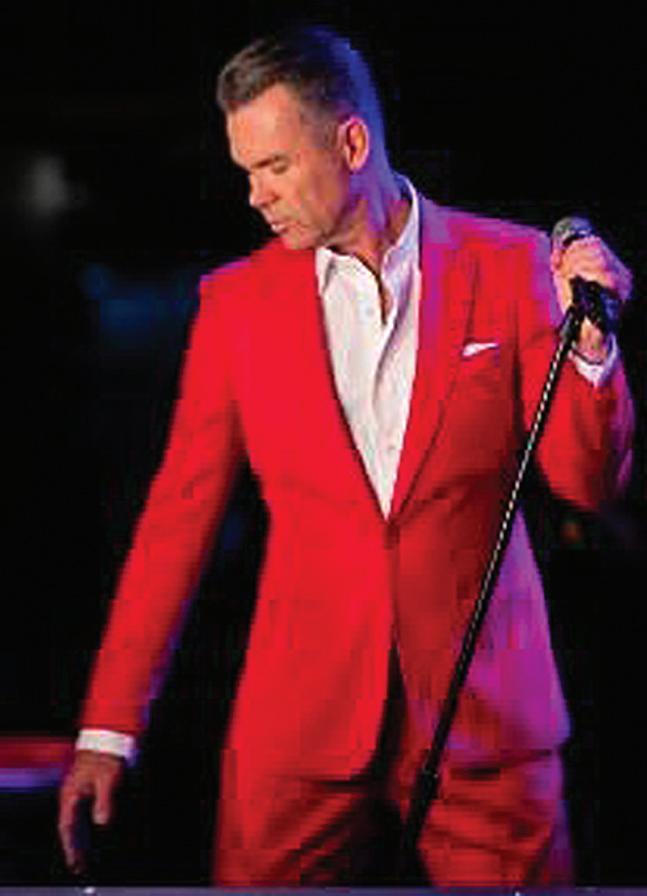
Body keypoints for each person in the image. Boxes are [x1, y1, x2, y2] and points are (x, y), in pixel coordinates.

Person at [58, 25, 635, 886]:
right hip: (299, 720)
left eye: (274, 167)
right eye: (246, 171)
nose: (254, 195)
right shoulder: (236, 305)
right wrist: (109, 729)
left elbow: (585, 486)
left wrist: (590, 352)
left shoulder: (513, 265)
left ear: (351, 144)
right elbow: (176, 524)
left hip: (483, 716)